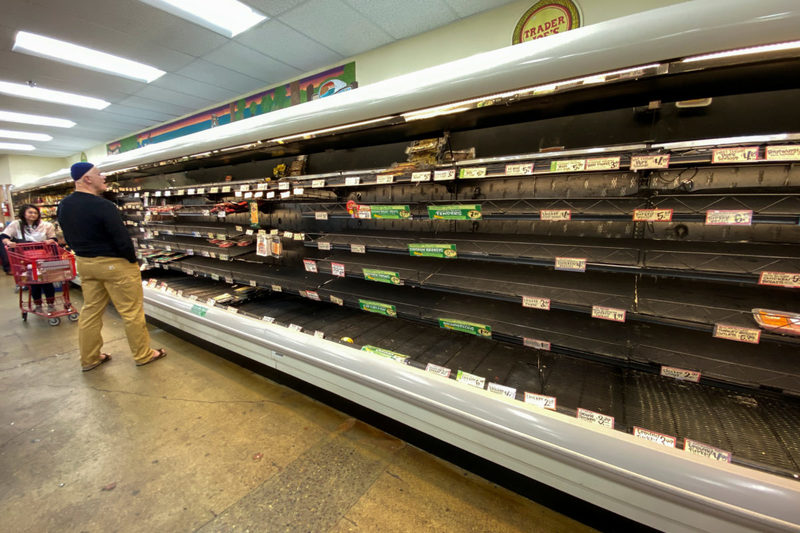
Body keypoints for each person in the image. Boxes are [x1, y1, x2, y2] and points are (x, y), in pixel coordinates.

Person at [57, 162, 166, 371]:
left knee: (90, 312)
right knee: (131, 312)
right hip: (114, 264)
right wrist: (132, 260)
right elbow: (122, 239)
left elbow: (66, 235)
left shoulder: (64, 205)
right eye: (99, 174)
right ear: (87, 179)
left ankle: (89, 359)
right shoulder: (104, 206)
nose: (103, 177)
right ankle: (143, 355)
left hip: (85, 264)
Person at [1, 204, 58, 311]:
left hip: (43, 257)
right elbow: (4, 236)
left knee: (47, 281)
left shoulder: (46, 225)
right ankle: (38, 305)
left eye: (35, 213)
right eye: (30, 212)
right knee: (33, 282)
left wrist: (50, 241)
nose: (33, 215)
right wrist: (9, 242)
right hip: (24, 259)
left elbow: (53, 238)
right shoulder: (16, 225)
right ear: (23, 213)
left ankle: (51, 304)